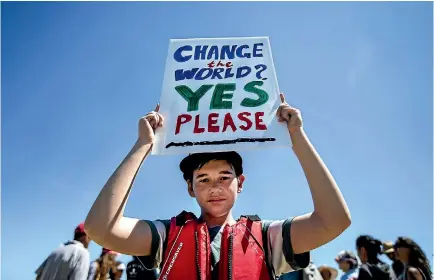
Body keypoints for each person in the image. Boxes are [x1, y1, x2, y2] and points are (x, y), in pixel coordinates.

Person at [84, 94, 352, 279]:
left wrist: (297, 137)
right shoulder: (167, 236)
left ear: (241, 183)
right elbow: (101, 228)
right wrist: (143, 146)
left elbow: (334, 220)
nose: (215, 186)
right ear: (190, 187)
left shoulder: (268, 237)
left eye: (225, 177)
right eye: (203, 179)